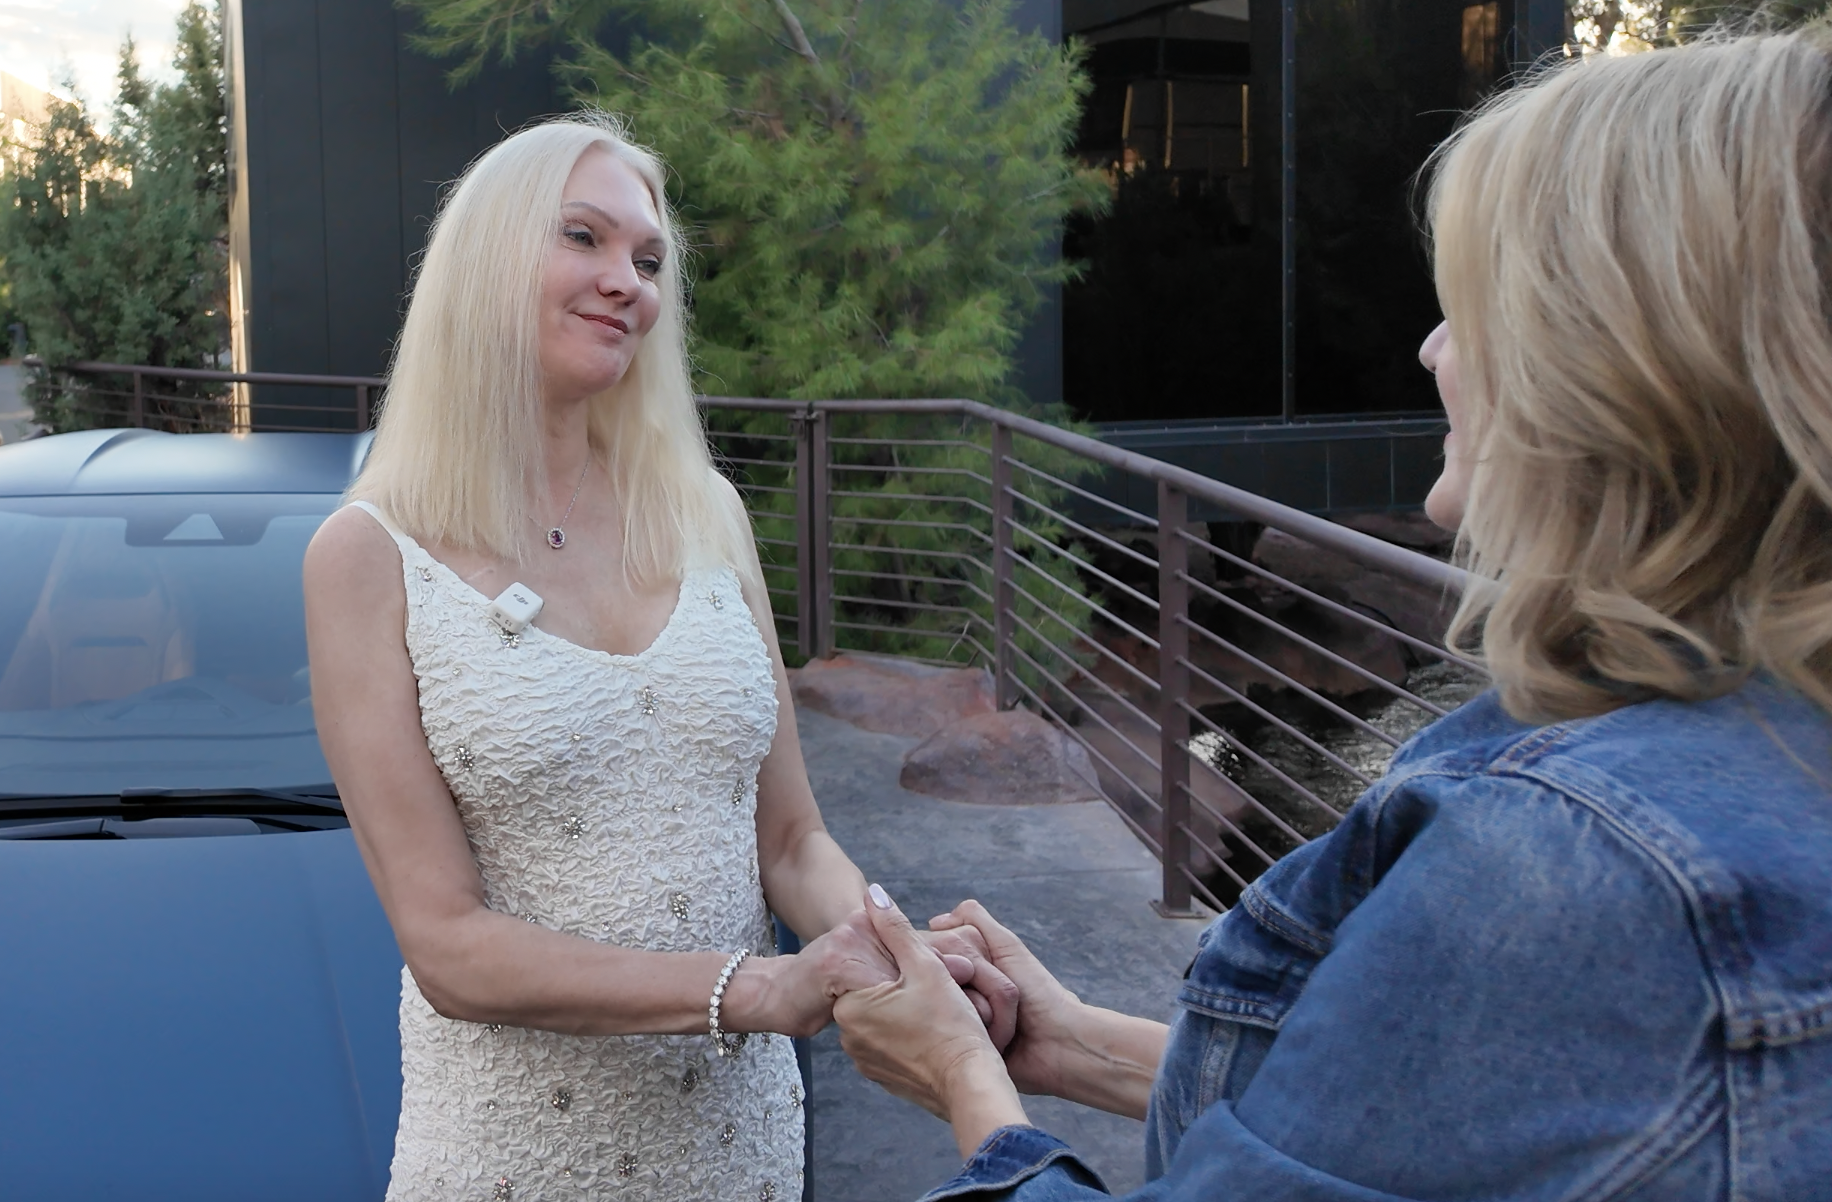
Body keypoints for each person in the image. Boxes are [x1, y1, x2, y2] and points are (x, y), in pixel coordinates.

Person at [830, 25, 1832, 1201]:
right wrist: (1070, 1043)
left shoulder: (1571, 867)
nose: (1428, 346)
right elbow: (1475, 1122)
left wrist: (964, 1082)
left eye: (1470, 307)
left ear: (1610, 366)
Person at [303, 114, 1011, 1202]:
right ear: (483, 259)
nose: (625, 280)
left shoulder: (705, 514)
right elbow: (445, 943)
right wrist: (757, 986)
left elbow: (788, 836)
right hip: (511, 1165)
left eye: (647, 258)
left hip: (744, 1157)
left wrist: (890, 945)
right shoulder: (367, 556)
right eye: (581, 237)